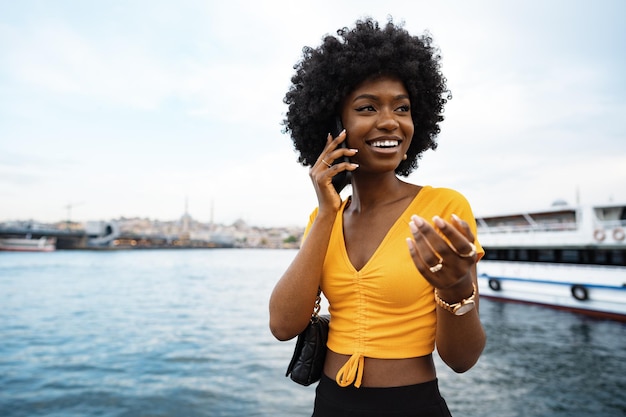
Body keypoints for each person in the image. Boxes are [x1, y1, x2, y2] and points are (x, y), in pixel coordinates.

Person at [269, 17, 486, 417]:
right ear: (335, 125)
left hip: (412, 406)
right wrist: (326, 213)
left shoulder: (443, 207)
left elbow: (461, 359)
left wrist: (457, 289)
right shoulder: (323, 217)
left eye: (401, 108)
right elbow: (283, 325)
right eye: (368, 107)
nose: (390, 121)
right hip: (330, 405)